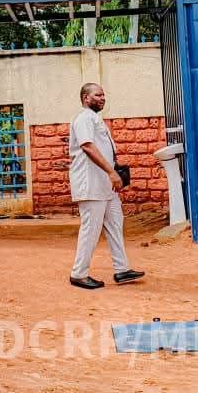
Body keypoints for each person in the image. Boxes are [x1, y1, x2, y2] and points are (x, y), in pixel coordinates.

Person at [67, 83, 145, 289]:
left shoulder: (95, 119)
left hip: (105, 187)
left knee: (115, 224)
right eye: (97, 95)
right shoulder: (84, 118)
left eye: (103, 95)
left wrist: (115, 169)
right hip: (91, 185)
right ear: (86, 98)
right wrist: (111, 172)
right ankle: (79, 274)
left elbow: (102, 148)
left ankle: (122, 269)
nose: (102, 98)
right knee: (90, 230)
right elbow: (87, 146)